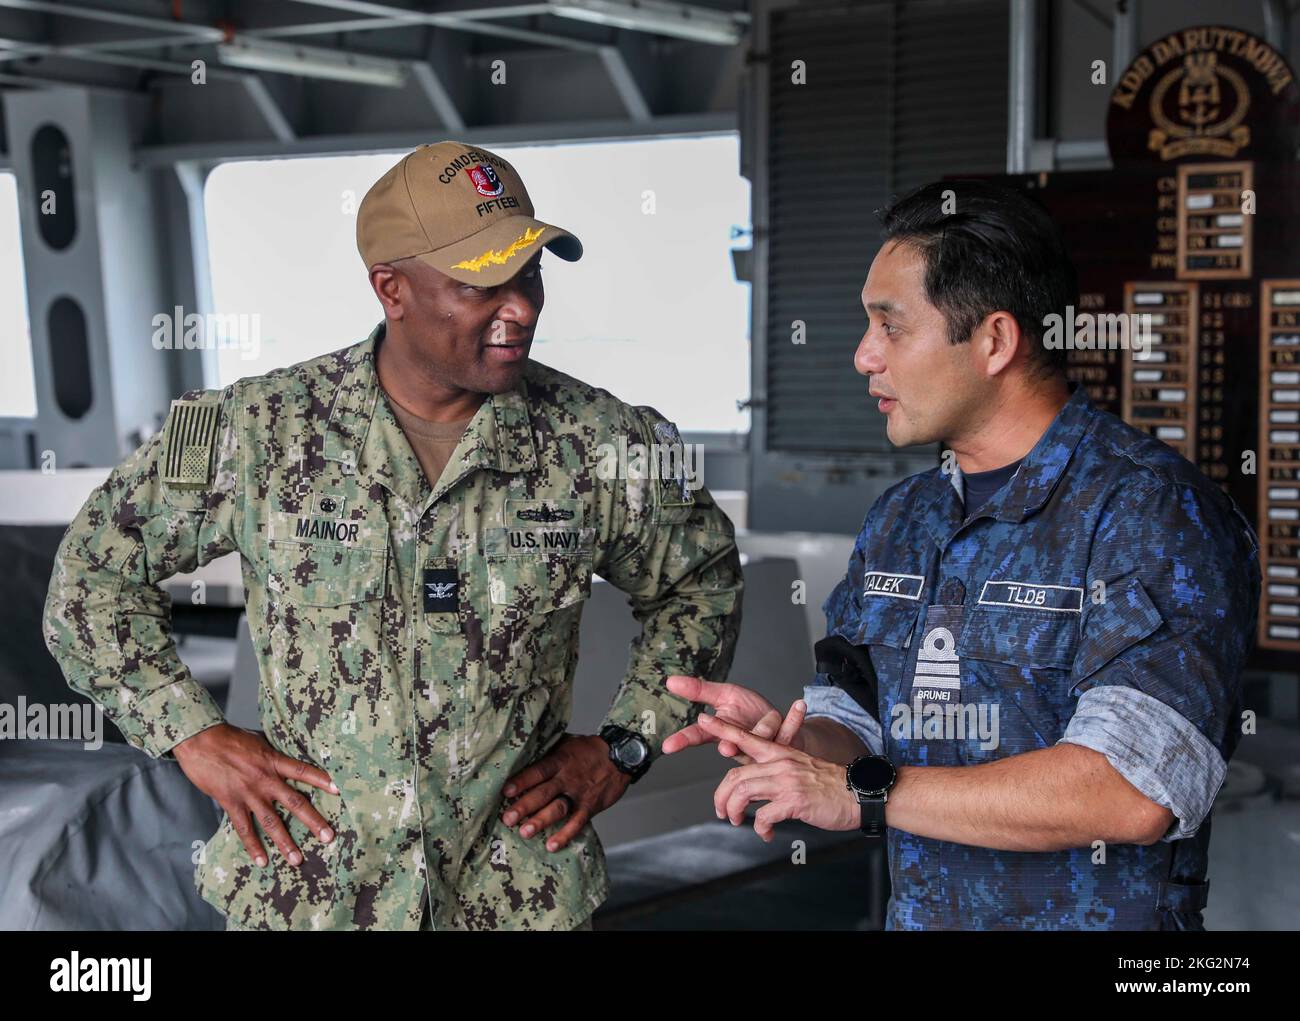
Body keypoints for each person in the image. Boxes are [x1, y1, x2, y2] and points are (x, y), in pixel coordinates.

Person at [43, 141, 743, 931]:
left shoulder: (603, 444)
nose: (520, 308)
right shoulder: (256, 431)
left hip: (513, 900)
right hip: (314, 898)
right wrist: (192, 733)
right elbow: (91, 581)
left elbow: (703, 584)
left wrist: (624, 747)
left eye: (531, 274)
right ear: (391, 288)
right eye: (484, 283)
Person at [663, 179, 1260, 930]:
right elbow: (862, 726)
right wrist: (798, 746)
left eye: (891, 326)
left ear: (994, 341)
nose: (862, 356)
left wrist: (865, 793)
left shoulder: (1148, 511)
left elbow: (1131, 788)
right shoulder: (903, 519)